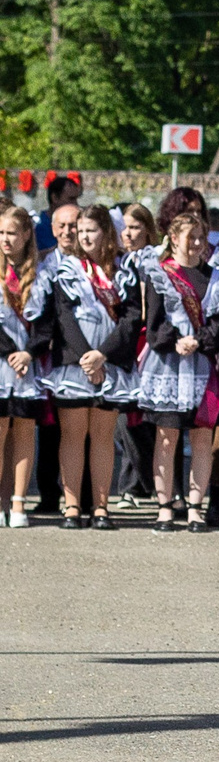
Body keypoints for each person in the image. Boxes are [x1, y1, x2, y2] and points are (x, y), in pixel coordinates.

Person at [40, 204, 139, 527]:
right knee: (72, 434)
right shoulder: (67, 269)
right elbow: (63, 316)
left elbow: (131, 316)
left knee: (102, 435)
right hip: (75, 363)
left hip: (110, 363)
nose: (83, 237)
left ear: (106, 233)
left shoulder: (124, 269)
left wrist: (103, 355)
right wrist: (87, 356)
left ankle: (100, 506)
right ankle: (71, 506)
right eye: (80, 231)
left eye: (90, 230)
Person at [137, 202, 219, 533]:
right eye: (191, 237)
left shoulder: (217, 278)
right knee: (167, 437)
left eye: (201, 237)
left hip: (205, 367)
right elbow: (153, 324)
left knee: (203, 438)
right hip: (169, 367)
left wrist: (199, 341)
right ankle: (165, 506)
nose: (197, 243)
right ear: (174, 238)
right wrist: (176, 340)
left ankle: (195, 508)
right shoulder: (160, 274)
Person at [0, 207, 48, 524]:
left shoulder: (42, 274)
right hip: (2, 363)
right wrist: (10, 352)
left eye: (12, 233)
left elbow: (47, 323)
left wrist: (28, 352)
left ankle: (18, 502)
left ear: (27, 235)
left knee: (24, 432)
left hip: (28, 365)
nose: (5, 239)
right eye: (1, 233)